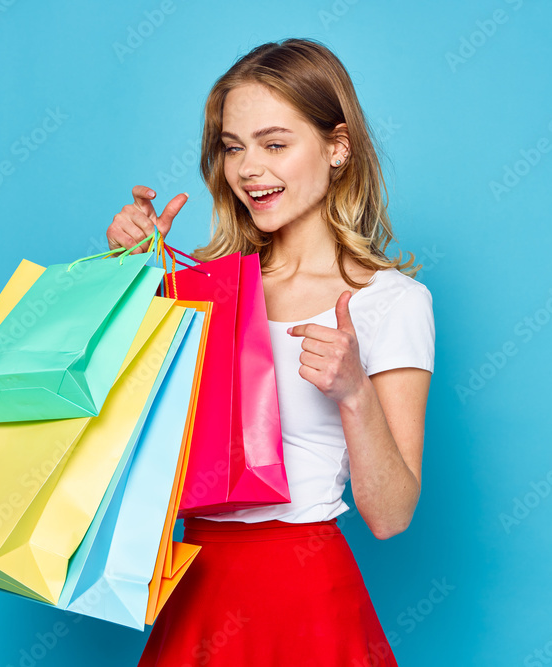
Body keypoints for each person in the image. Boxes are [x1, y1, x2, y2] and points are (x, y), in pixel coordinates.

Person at [106, 38, 435, 667]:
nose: (249, 168)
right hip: (194, 580)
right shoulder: (198, 286)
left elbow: (391, 516)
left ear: (338, 147)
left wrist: (354, 392)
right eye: (234, 148)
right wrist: (131, 275)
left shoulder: (391, 303)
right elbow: (119, 436)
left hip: (305, 592)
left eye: (274, 144)